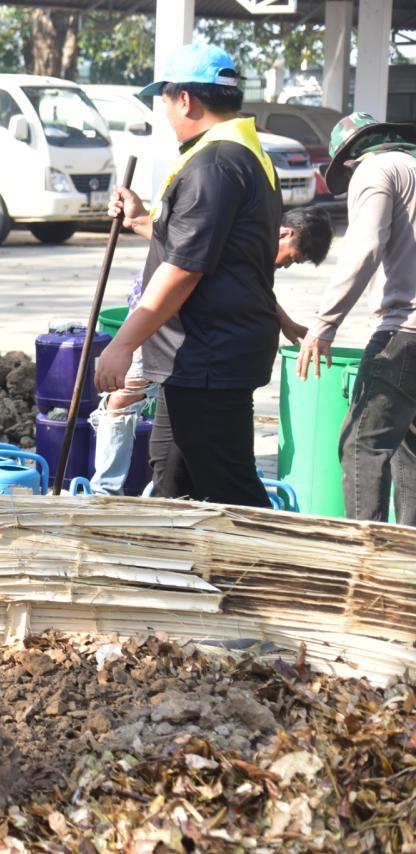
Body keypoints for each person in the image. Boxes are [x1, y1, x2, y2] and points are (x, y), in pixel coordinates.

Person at [95, 43, 281, 507]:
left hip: (208, 355)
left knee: (228, 486)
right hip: (198, 356)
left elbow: (183, 268)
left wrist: (122, 344)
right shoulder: (238, 154)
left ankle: (263, 572)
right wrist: (144, 219)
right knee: (172, 474)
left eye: (164, 99)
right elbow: (202, 241)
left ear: (185, 100)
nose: (164, 110)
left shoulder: (214, 164)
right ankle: (182, 572)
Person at [91, 205, 335, 495]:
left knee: (173, 431)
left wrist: (285, 321)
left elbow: (251, 287)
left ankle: (170, 496)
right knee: (124, 398)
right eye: (292, 257)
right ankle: (105, 491)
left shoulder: (254, 246)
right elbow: (161, 239)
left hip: (190, 340)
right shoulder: (228, 232)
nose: (286, 266)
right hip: (159, 316)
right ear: (285, 233)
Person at [297, 112, 416, 525]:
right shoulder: (412, 167)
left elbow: (365, 246)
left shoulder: (374, 169)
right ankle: (405, 565)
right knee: (406, 447)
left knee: (362, 445)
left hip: (404, 333)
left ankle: (367, 564)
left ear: (348, 161)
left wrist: (324, 324)